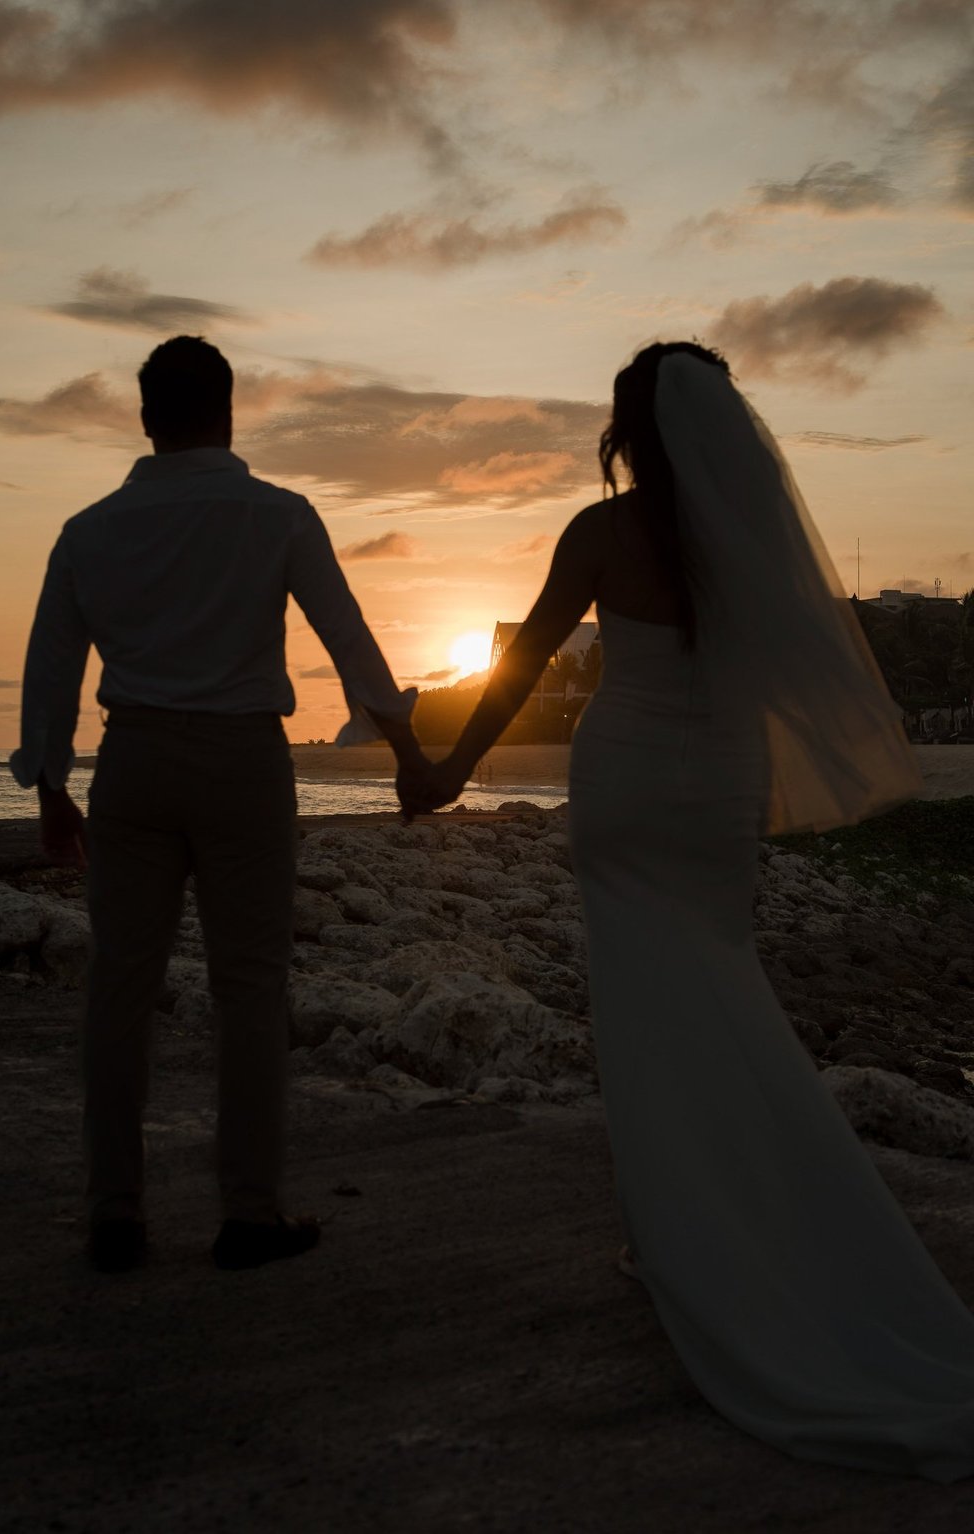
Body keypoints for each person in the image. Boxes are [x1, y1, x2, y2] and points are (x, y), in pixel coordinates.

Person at [399, 341, 974, 1482]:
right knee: (721, 985)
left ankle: (677, 1242)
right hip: (713, 784)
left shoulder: (600, 534)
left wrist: (451, 766)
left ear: (629, 428)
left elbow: (518, 666)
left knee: (645, 1012)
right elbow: (790, 675)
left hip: (627, 779)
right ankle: (716, 1229)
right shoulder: (748, 544)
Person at [12, 335, 424, 1274]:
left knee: (120, 989)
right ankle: (249, 1212)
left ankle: (114, 1215)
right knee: (249, 988)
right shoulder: (275, 514)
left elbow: (50, 670)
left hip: (137, 761)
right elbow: (349, 639)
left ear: (147, 418)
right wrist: (407, 751)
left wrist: (50, 789)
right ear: (230, 411)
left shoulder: (88, 530)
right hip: (242, 763)